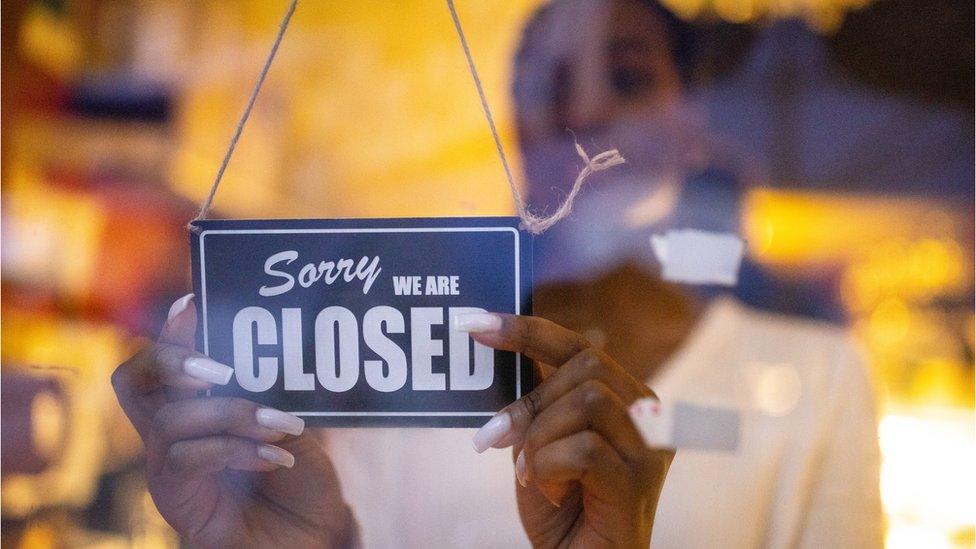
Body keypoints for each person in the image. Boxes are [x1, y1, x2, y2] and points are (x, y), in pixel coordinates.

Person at [112, 0, 883, 547]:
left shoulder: (814, 379)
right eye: (549, 85)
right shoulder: (408, 362)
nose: (584, 112)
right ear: (514, 126)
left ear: (691, 125)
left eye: (628, 77)